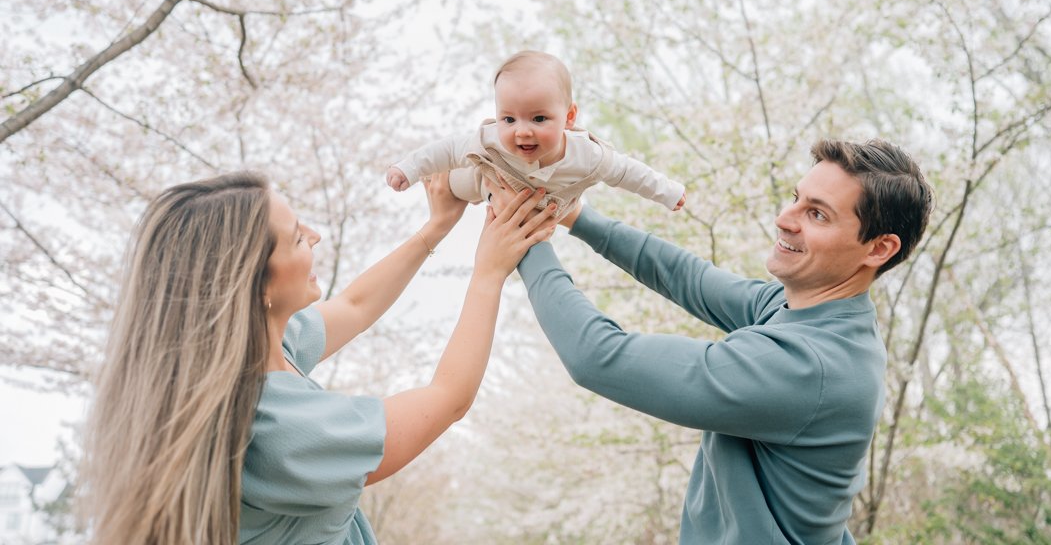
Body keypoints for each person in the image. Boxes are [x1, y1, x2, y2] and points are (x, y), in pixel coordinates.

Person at [493, 138, 933, 544]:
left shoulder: (807, 364)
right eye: (796, 199)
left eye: (816, 214)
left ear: (878, 249)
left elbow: (599, 357)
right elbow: (690, 278)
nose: (785, 219)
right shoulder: (813, 315)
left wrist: (523, 238)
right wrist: (574, 214)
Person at [79, 171, 556, 545]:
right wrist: (489, 272)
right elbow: (448, 398)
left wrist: (435, 228)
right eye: (295, 237)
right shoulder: (277, 427)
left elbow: (356, 305)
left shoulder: (251, 361)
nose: (316, 236)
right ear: (255, 283)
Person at [386, 50, 686, 220]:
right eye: (509, 119)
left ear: (569, 117)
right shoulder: (490, 141)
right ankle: (446, 185)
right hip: (485, 177)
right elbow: (448, 150)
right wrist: (410, 168)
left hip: (548, 199)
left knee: (541, 222)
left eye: (539, 118)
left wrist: (667, 192)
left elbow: (627, 172)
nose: (522, 131)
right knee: (456, 181)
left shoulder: (588, 157)